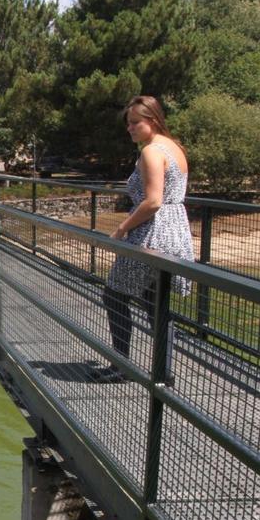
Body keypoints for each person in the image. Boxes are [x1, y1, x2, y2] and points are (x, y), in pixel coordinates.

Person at [92, 95, 194, 384]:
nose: (130, 128)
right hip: (176, 231)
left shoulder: (151, 152)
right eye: (128, 124)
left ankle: (120, 365)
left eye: (135, 122)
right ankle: (163, 370)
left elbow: (152, 201)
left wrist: (122, 228)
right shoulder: (175, 148)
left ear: (152, 120)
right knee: (153, 301)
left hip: (153, 234)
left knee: (114, 295)